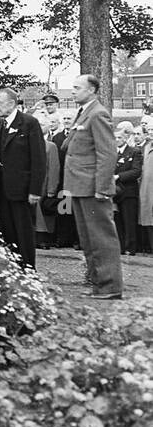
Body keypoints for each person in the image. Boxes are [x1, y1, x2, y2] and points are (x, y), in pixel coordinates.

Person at [62, 73, 122, 299]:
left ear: (92, 90)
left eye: (78, 87)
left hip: (92, 188)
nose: (73, 91)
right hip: (79, 186)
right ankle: (98, 284)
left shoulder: (97, 114)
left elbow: (107, 153)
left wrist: (102, 188)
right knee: (88, 239)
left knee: (101, 238)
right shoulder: (84, 113)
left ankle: (110, 287)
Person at [0, 85, 46, 269]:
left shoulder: (29, 123)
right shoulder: (1, 125)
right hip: (4, 190)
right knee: (8, 232)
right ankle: (13, 270)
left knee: (24, 232)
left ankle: (28, 271)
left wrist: (35, 190)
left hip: (23, 190)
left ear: (12, 103)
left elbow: (39, 159)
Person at [113, 122, 143, 257]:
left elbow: (136, 171)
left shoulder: (134, 152)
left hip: (129, 191)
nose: (117, 140)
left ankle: (131, 247)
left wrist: (118, 176)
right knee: (117, 219)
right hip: (115, 192)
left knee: (129, 220)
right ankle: (119, 246)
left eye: (119, 138)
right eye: (115, 138)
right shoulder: (113, 153)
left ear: (125, 138)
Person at [34, 116, 60, 249]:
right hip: (31, 184)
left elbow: (54, 168)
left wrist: (51, 189)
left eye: (42, 124)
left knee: (44, 213)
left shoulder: (51, 146)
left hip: (44, 184)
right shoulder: (29, 143)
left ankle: (44, 239)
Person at [138, 117, 153, 255]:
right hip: (146, 187)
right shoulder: (146, 147)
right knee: (147, 217)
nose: (151, 133)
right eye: (149, 130)